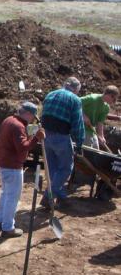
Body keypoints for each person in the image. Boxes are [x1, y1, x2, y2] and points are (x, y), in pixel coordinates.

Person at [0, 102, 46, 238]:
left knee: (6, 193)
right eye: (33, 117)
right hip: (12, 166)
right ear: (28, 114)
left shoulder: (9, 120)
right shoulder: (18, 126)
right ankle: (8, 228)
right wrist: (36, 138)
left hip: (3, 162)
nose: (33, 120)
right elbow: (23, 147)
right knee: (13, 197)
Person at [40, 77, 85, 209]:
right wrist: (79, 142)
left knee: (53, 169)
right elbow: (77, 124)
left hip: (46, 135)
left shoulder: (51, 94)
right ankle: (49, 196)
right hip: (61, 136)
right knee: (66, 168)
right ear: (76, 89)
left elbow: (43, 114)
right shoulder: (75, 100)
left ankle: (62, 197)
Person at [81, 85, 120, 151]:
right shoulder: (92, 98)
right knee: (88, 153)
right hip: (81, 129)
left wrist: (101, 136)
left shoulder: (106, 107)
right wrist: (83, 115)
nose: (114, 102)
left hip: (92, 131)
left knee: (97, 151)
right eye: (114, 99)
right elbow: (74, 103)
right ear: (109, 95)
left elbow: (100, 123)